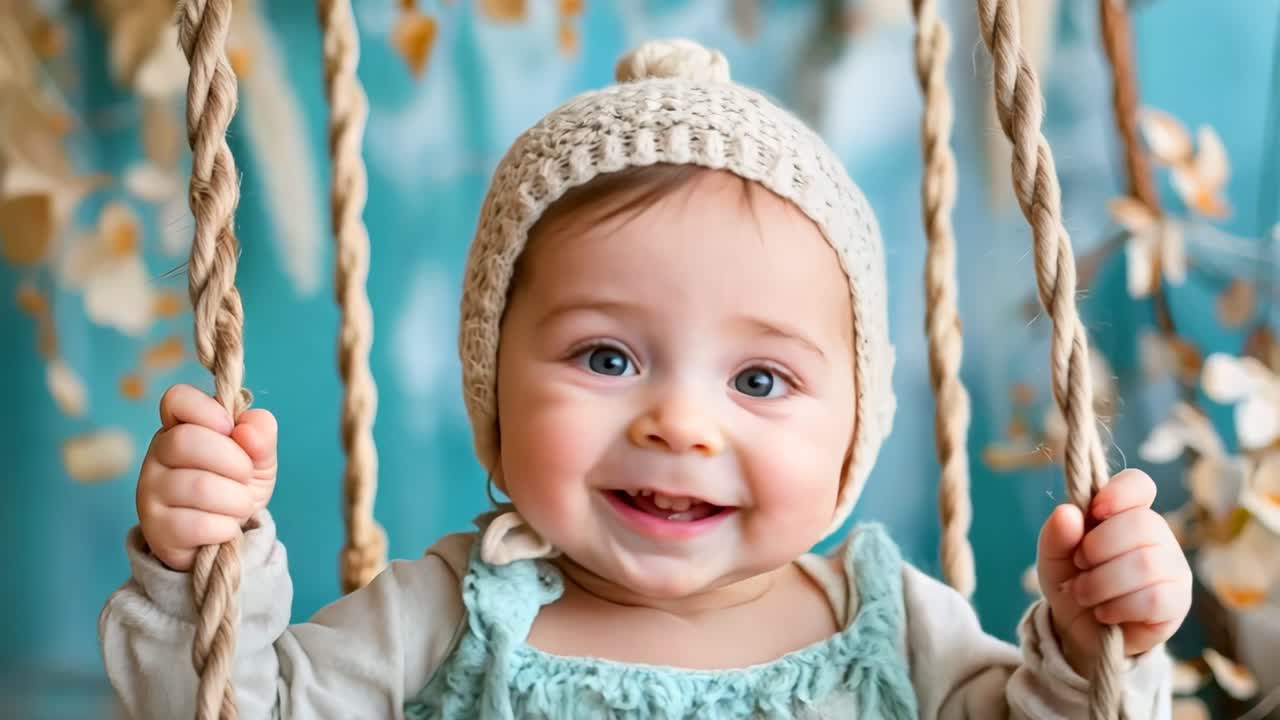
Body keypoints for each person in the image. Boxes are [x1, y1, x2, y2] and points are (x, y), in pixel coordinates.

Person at [100, 39, 1188, 718]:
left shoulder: (897, 626)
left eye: (760, 379)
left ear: (856, 426)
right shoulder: (450, 615)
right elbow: (227, 707)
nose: (678, 423)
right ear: (491, 387)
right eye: (606, 358)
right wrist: (201, 568)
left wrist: (1100, 647)